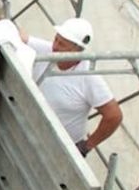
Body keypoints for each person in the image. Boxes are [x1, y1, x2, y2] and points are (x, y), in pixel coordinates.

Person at [23, 18, 122, 156]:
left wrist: (87, 146)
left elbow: (114, 115)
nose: (55, 46)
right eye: (56, 40)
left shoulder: (89, 77)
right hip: (29, 134)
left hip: (59, 150)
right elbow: (21, 36)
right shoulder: (47, 49)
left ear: (77, 50)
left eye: (62, 44)